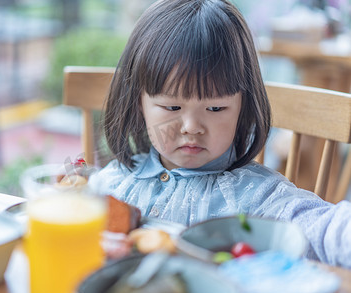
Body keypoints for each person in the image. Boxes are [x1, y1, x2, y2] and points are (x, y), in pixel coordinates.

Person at [88, 0, 351, 268]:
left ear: (243, 107)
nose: (192, 126)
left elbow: (327, 230)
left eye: (215, 107)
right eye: (172, 107)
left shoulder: (255, 197)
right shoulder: (114, 183)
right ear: (138, 103)